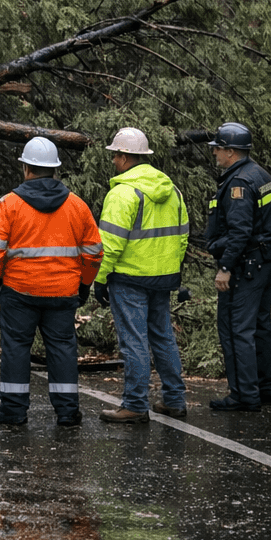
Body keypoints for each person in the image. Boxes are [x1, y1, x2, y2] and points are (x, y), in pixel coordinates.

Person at [0, 137, 104, 426]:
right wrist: (84, 285)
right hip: (63, 292)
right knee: (62, 348)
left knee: (16, 347)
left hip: (19, 290)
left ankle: (12, 410)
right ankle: (67, 411)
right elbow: (95, 253)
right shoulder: (77, 206)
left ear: (26, 168)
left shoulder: (9, 204)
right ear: (55, 170)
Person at [91, 128, 191, 423]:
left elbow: (109, 243)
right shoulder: (172, 190)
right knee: (163, 337)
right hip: (164, 277)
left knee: (134, 341)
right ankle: (174, 399)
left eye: (115, 156)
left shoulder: (122, 193)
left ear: (123, 157)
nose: (113, 161)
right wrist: (171, 268)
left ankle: (135, 404)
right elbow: (182, 235)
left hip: (130, 278)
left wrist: (99, 278)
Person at [205, 121, 271, 412]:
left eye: (218, 149)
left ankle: (244, 395)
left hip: (245, 265)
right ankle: (268, 388)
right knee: (260, 328)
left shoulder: (238, 183)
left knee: (237, 330)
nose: (215, 154)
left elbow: (239, 232)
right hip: (264, 261)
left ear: (231, 151)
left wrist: (225, 266)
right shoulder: (259, 174)